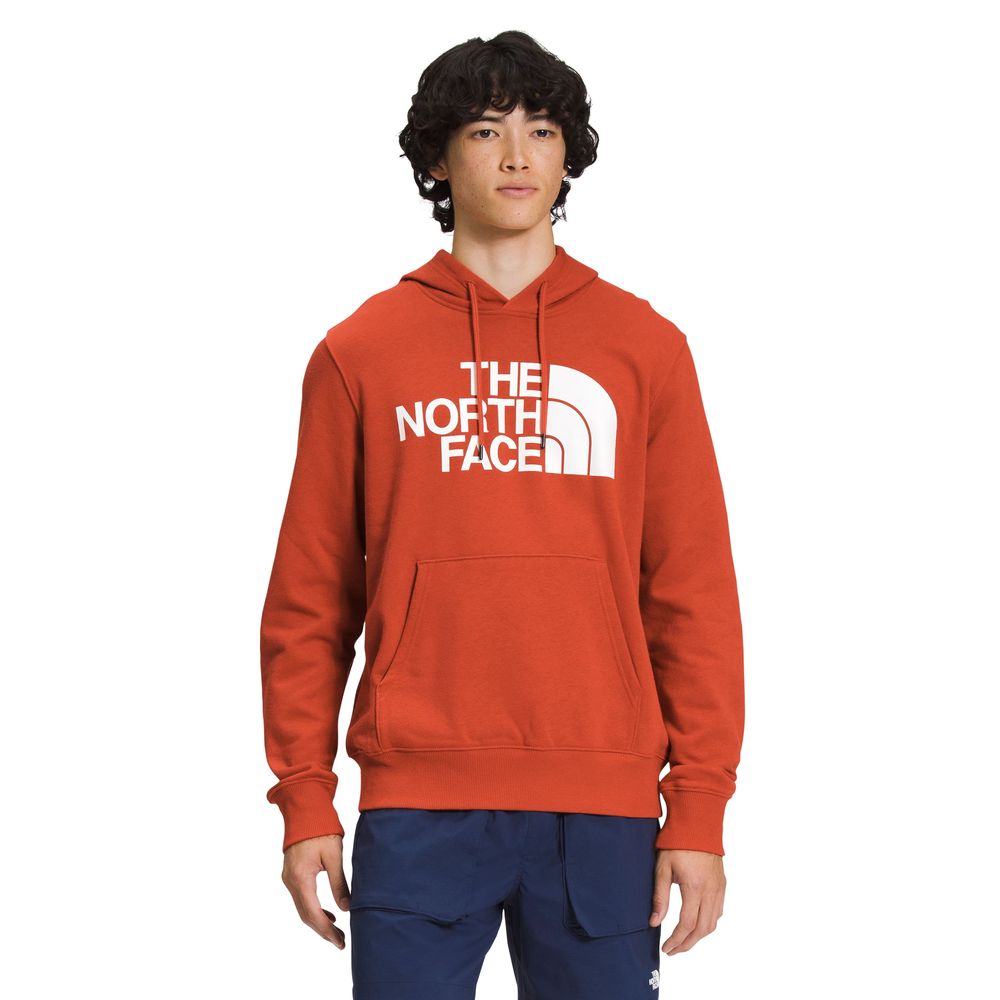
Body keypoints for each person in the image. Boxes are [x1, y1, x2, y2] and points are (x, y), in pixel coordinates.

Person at [260, 29, 744, 999]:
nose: (517, 155)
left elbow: (691, 592)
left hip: (600, 801)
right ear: (439, 159)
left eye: (542, 130)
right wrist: (305, 797)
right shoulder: (362, 352)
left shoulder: (643, 348)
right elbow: (310, 597)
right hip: (418, 801)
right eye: (486, 130)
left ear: (569, 155)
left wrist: (697, 806)